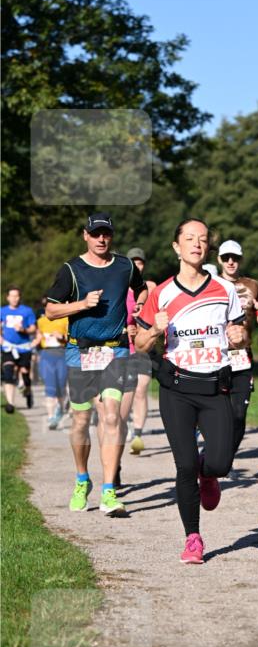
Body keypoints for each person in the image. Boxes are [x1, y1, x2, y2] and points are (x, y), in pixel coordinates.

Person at [134, 219, 247, 565]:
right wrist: (154, 329)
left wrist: (239, 336)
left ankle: (209, 472)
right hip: (177, 388)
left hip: (215, 387)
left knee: (221, 461)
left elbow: (240, 331)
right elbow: (139, 345)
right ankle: (193, 538)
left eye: (202, 239)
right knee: (184, 465)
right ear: (176, 246)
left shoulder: (225, 291)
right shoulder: (162, 293)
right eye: (189, 239)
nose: (197, 244)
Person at [45, 213, 147, 516]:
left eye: (106, 234)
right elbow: (50, 311)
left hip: (115, 351)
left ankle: (109, 490)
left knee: (113, 417)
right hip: (80, 352)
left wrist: (139, 305)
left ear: (111, 237)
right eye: (96, 233)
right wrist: (82, 304)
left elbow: (141, 288)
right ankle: (81, 479)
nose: (102, 239)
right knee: (80, 421)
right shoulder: (71, 270)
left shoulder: (124, 266)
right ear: (85, 236)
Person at [216, 238, 258, 457]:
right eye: (226, 258)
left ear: (240, 260)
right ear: (219, 259)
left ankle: (226, 457)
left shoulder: (253, 285)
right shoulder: (210, 283)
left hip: (242, 356)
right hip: (215, 356)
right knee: (217, 412)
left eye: (235, 258)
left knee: (239, 413)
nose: (231, 262)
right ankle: (213, 452)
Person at [123, 247, 157, 457]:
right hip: (122, 346)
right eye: (133, 262)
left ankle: (137, 435)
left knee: (141, 388)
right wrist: (126, 329)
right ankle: (122, 424)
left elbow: (159, 313)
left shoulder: (151, 288)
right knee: (125, 392)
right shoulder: (118, 288)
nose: (137, 265)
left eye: (140, 262)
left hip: (143, 346)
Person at [1, 286, 37, 413]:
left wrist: (24, 330)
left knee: (24, 372)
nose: (14, 298)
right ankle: (10, 403)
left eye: (17, 296)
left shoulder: (27, 311)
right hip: (8, 347)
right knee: (8, 371)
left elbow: (33, 328)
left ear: (20, 297)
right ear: (7, 297)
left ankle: (28, 391)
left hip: (24, 348)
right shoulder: (2, 311)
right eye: (12, 296)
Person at [36, 299, 69, 428]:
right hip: (46, 354)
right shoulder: (41, 321)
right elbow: (39, 337)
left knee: (60, 385)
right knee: (49, 386)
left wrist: (62, 337)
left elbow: (71, 338)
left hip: (62, 353)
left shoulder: (66, 319)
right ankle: (51, 418)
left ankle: (60, 408)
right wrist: (29, 345)